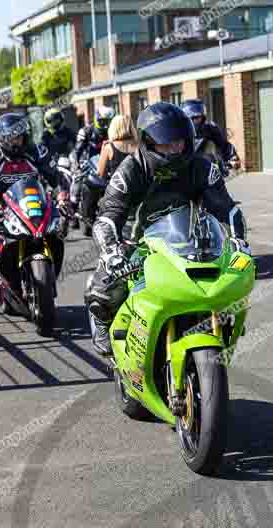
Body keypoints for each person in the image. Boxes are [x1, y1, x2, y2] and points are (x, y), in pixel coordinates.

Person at [85, 102, 249, 356]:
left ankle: (219, 325)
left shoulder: (202, 167)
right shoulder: (130, 170)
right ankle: (103, 323)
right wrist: (111, 251)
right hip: (136, 244)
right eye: (167, 144)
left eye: (180, 142)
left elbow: (225, 208)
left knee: (229, 283)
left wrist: (239, 240)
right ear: (149, 143)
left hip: (188, 242)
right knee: (103, 291)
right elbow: (108, 216)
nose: (176, 149)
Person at [0, 112, 71, 283]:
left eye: (20, 137)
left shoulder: (37, 152)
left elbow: (56, 176)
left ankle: (52, 261)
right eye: (12, 138)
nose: (18, 141)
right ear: (2, 138)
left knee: (60, 223)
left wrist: (62, 196)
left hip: (33, 199)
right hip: (1, 202)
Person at [70, 106, 115, 229]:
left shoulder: (113, 132)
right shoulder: (86, 131)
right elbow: (77, 151)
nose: (105, 125)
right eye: (102, 122)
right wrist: (76, 165)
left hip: (106, 162)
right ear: (96, 119)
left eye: (108, 122)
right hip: (87, 161)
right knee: (77, 183)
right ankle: (71, 214)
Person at [180, 99, 240, 170]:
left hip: (203, 169)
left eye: (200, 117)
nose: (198, 120)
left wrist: (233, 158)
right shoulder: (177, 131)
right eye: (194, 118)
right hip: (182, 169)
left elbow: (224, 145)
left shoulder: (209, 128)